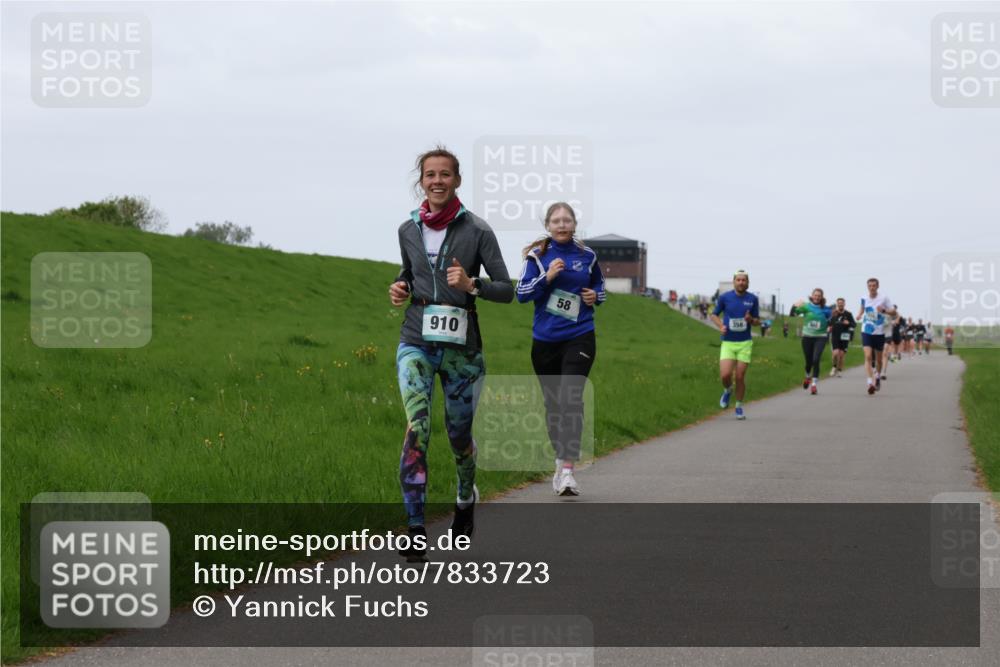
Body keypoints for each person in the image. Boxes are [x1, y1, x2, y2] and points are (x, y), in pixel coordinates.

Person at [389, 146, 514, 561]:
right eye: (430, 175)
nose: (437, 181)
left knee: (459, 437)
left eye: (445, 174)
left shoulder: (477, 230)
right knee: (417, 428)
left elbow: (507, 289)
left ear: (457, 180)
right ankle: (414, 526)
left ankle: (464, 498)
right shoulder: (408, 230)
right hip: (416, 340)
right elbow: (409, 273)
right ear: (421, 181)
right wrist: (400, 287)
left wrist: (471, 283)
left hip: (462, 350)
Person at [516, 202, 605, 496]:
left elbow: (600, 289)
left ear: (575, 225)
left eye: (567, 220)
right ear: (548, 226)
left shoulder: (587, 256)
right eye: (557, 220)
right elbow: (522, 294)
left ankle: (568, 470)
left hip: (580, 335)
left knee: (571, 397)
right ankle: (559, 459)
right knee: (554, 406)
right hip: (545, 341)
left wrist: (595, 296)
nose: (563, 224)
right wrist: (548, 277)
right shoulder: (538, 257)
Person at [710, 270, 760, 420]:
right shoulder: (725, 297)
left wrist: (751, 319)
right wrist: (720, 326)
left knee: (739, 376)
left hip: (745, 343)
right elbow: (714, 314)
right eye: (738, 280)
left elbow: (758, 321)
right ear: (734, 282)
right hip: (728, 342)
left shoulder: (753, 299)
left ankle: (738, 406)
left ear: (748, 283)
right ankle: (728, 390)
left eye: (744, 280)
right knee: (725, 375)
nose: (741, 282)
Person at [856, 277, 896, 395]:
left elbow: (893, 312)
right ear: (867, 287)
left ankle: (877, 377)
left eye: (874, 285)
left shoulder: (884, 298)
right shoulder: (864, 297)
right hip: (866, 330)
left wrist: (884, 310)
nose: (872, 287)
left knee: (879, 360)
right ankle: (870, 382)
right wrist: (859, 315)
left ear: (877, 286)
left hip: (879, 332)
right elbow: (862, 308)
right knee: (868, 356)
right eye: (870, 286)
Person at [792, 289, 833, 394]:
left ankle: (814, 384)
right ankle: (807, 377)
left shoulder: (826, 309)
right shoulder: (806, 306)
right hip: (807, 337)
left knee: (816, 359)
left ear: (822, 297)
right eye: (815, 295)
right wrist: (794, 305)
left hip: (821, 337)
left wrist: (830, 325)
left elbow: (831, 320)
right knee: (809, 361)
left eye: (819, 296)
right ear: (812, 296)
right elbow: (793, 314)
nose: (817, 297)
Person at [828, 297, 856, 378]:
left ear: (844, 304)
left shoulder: (848, 314)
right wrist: (829, 327)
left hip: (845, 336)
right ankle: (834, 367)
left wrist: (849, 323)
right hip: (835, 336)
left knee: (841, 355)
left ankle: (839, 370)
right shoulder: (834, 313)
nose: (840, 304)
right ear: (837, 304)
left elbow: (854, 324)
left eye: (842, 303)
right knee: (835, 353)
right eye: (839, 303)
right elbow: (829, 323)